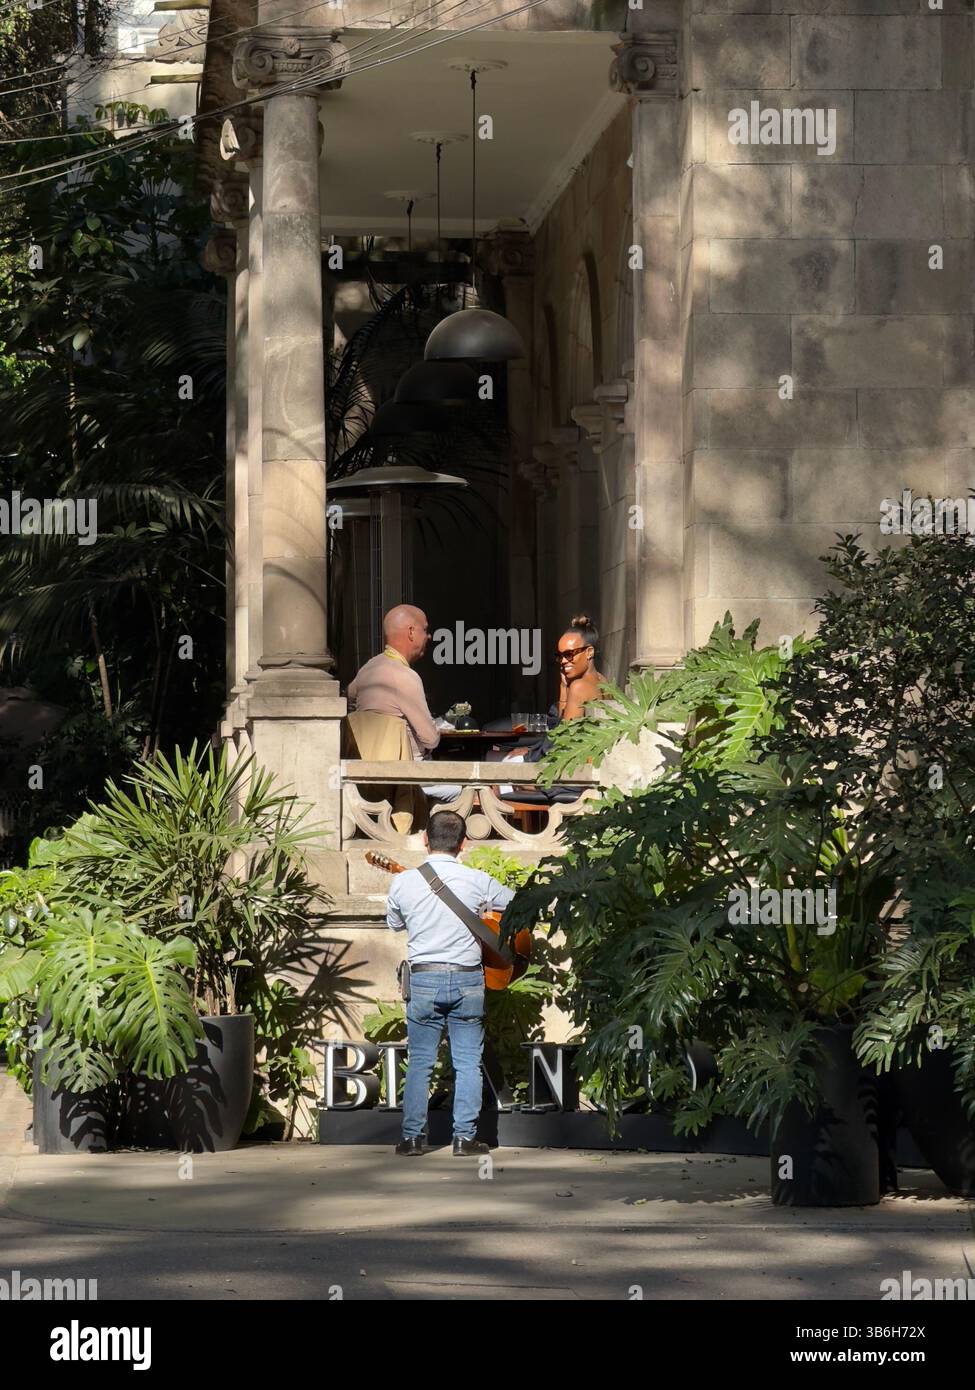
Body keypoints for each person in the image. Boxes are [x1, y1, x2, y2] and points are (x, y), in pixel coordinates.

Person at [386, 810, 514, 1156]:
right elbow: (517, 904)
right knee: (468, 1061)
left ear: (425, 839)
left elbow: (395, 924)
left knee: (420, 1062)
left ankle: (412, 1139)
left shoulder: (403, 882)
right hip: (468, 980)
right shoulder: (475, 880)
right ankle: (464, 1139)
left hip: (424, 978)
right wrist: (487, 915)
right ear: (464, 844)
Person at [346, 604, 459, 804]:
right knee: (463, 790)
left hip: (366, 775)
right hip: (406, 775)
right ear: (411, 632)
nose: (429, 636)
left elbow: (349, 702)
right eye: (425, 630)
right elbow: (431, 740)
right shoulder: (406, 676)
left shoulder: (367, 669)